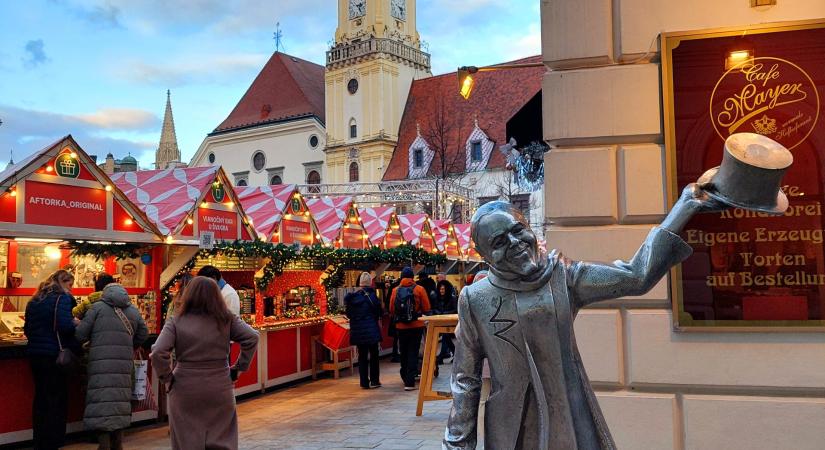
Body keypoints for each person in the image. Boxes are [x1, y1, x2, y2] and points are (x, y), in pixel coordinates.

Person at [444, 185, 724, 449]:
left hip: (570, 416)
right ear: (484, 255)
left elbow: (636, 276)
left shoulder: (563, 276)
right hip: (511, 430)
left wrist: (685, 206)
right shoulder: (475, 299)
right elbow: (465, 380)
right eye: (499, 242)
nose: (515, 243)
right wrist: (457, 444)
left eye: (518, 230)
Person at [151, 276, 259, 450]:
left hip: (184, 386)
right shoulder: (226, 319)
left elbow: (158, 351)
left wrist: (167, 378)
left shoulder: (176, 321)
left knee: (186, 439)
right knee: (222, 437)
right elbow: (252, 337)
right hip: (220, 384)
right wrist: (240, 367)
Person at [75, 283, 148, 450]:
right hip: (124, 363)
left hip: (99, 363)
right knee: (120, 400)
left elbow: (80, 334)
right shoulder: (133, 310)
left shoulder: (97, 308)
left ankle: (104, 445)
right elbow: (143, 333)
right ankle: (118, 444)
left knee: (102, 401)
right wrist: (129, 345)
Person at [23, 269, 79, 450]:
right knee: (57, 398)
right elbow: (64, 326)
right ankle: (54, 440)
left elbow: (27, 329)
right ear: (62, 282)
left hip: (35, 355)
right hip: (55, 355)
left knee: (41, 397)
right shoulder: (63, 298)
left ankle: (39, 440)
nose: (71, 289)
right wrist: (75, 323)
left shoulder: (34, 300)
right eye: (70, 284)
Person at [389, 267, 430, 391]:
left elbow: (391, 309)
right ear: (413, 277)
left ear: (401, 277)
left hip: (401, 326)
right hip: (416, 325)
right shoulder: (419, 289)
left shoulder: (395, 290)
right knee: (413, 351)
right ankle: (410, 381)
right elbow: (427, 307)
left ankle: (404, 374)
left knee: (404, 351)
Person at [344, 272, 382, 389]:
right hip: (371, 330)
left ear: (360, 283)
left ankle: (364, 382)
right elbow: (379, 312)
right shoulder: (373, 297)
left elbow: (349, 314)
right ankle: (375, 381)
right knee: (374, 355)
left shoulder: (352, 298)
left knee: (362, 356)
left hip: (359, 332)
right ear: (370, 283)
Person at [433, 280, 457, 364]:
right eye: (440, 289)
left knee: (445, 336)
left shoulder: (452, 298)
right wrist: (439, 313)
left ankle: (442, 356)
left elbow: (455, 310)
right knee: (445, 337)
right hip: (440, 322)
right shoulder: (437, 298)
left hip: (450, 322)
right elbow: (434, 309)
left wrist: (445, 313)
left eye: (443, 289)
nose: (441, 291)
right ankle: (454, 354)